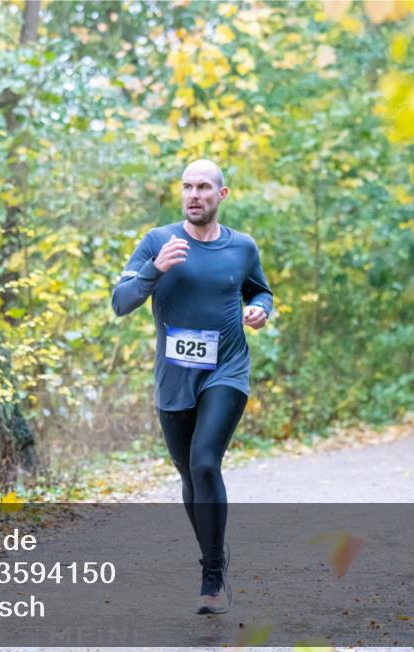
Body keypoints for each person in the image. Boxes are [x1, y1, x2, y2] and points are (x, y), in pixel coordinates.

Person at [111, 159, 273, 615]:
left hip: (226, 369)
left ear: (221, 195)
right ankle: (213, 556)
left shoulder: (241, 247)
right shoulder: (158, 241)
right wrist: (153, 271)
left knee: (205, 462)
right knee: (187, 472)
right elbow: (121, 302)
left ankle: (212, 575)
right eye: (187, 186)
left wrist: (261, 310)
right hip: (175, 377)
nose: (194, 194)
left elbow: (260, 291)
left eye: (203, 186)